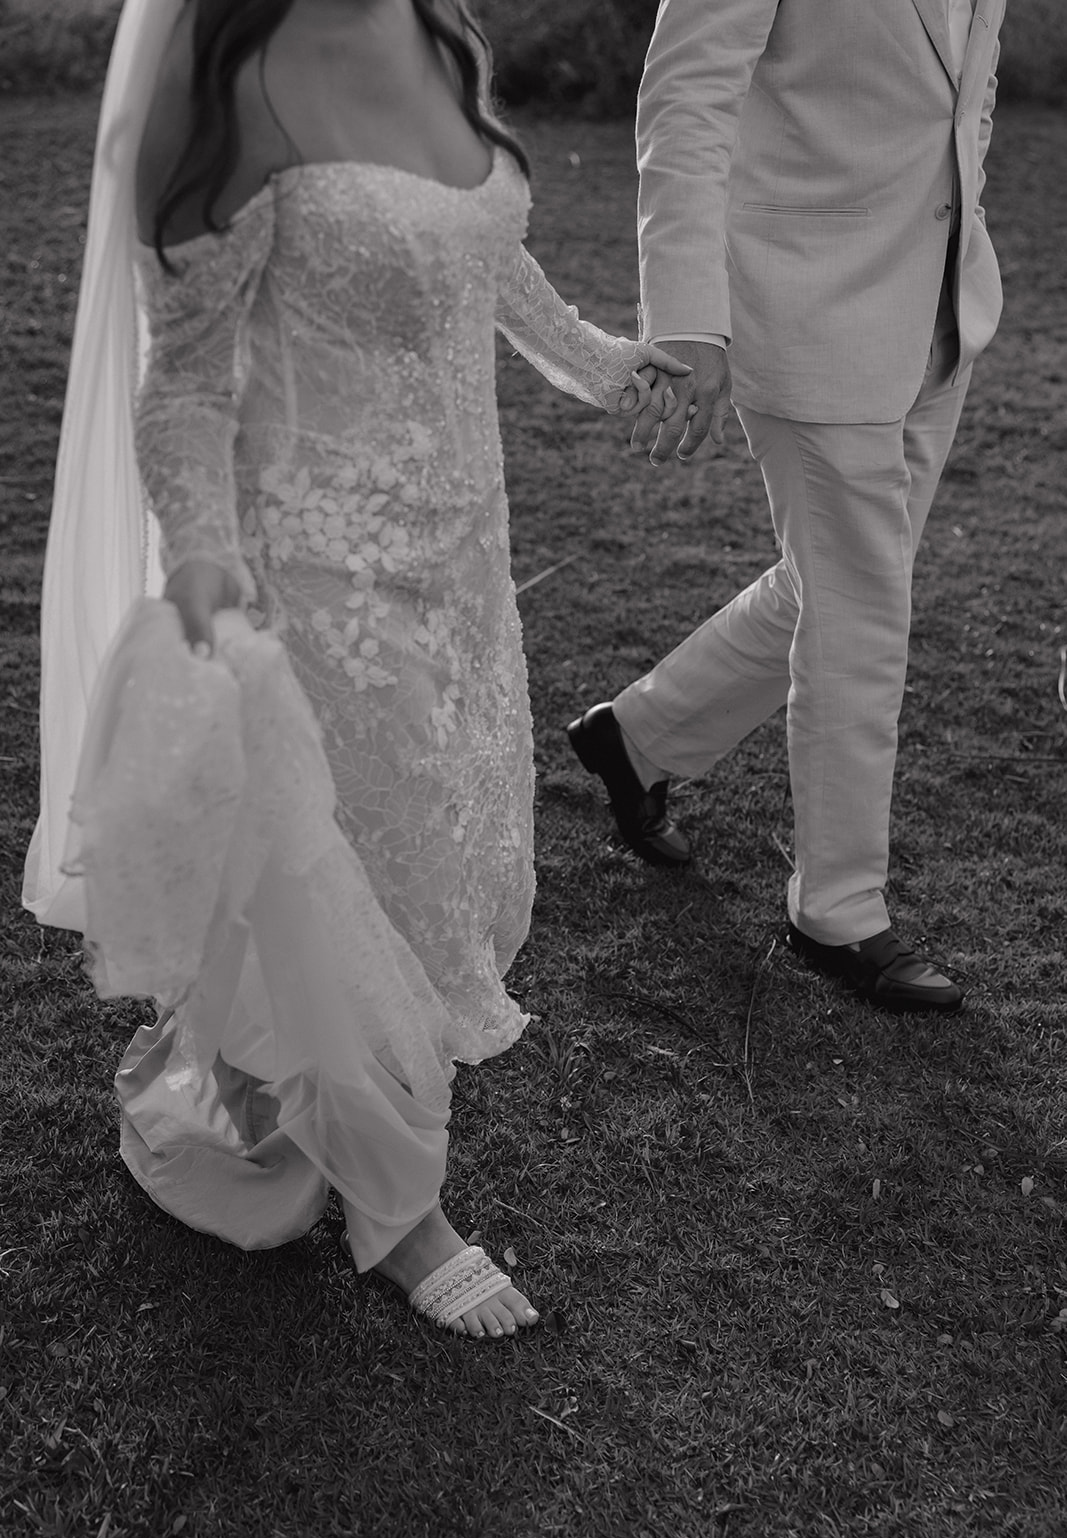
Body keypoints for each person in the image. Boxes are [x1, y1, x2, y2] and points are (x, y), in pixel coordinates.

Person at [22, 0, 688, 1339]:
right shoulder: (226, 83)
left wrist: (608, 367)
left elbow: (479, 258)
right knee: (325, 870)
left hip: (459, 554)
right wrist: (204, 563)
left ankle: (271, 1086)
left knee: (421, 857)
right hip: (307, 564)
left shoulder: (442, 37)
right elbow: (188, 383)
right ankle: (399, 1214)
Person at [568, 0, 1005, 1014]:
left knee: (842, 585)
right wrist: (687, 318)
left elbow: (960, 86)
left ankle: (632, 739)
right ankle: (836, 908)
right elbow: (684, 93)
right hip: (798, 303)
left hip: (938, 305)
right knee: (858, 611)